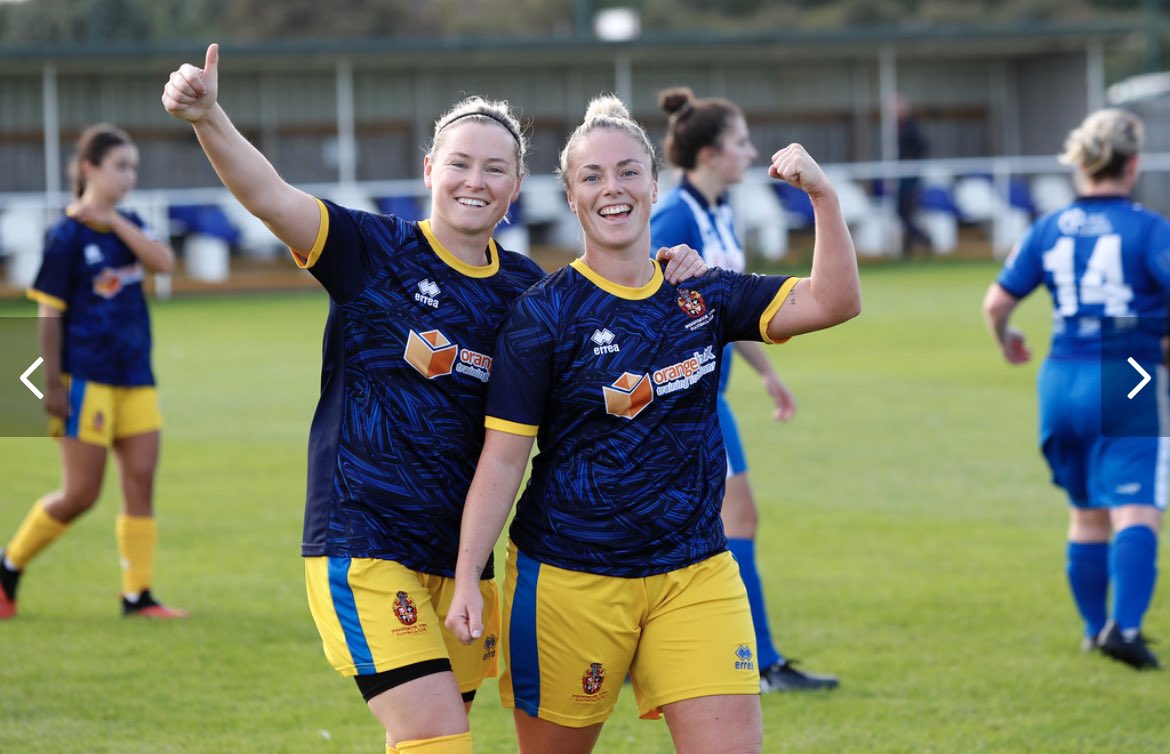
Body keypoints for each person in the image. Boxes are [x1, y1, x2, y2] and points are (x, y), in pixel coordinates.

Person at [161, 45, 706, 754]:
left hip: (461, 564)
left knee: (426, 739)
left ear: (516, 189)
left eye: (494, 168)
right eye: (459, 163)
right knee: (438, 736)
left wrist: (669, 269)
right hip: (363, 544)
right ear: (430, 171)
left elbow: (608, 318)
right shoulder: (370, 251)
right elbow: (270, 195)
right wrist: (208, 118)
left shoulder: (526, 294)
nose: (474, 181)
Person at [446, 94, 860, 753]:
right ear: (571, 196)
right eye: (592, 177)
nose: (613, 189)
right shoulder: (542, 315)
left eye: (628, 172)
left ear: (654, 183)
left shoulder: (702, 291)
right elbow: (503, 458)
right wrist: (468, 571)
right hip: (569, 579)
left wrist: (824, 199)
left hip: (696, 571)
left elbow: (834, 300)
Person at [650, 86, 839, 693]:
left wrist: (767, 372)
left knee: (706, 523)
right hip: (687, 402)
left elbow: (728, 309)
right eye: (740, 142)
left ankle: (700, 656)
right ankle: (758, 665)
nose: (751, 152)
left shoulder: (718, 211)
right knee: (737, 518)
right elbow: (648, 318)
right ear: (707, 154)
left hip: (714, 396)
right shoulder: (674, 219)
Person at [982, 108, 1169, 671]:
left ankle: (1094, 629)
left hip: (1061, 373)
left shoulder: (1049, 226)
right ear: (1132, 164)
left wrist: (1007, 338)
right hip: (1127, 370)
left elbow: (996, 304)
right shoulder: (1148, 228)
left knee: (1086, 511)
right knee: (1136, 506)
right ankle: (1127, 628)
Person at [0, 124, 183, 621]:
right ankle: (8, 564)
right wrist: (50, 383)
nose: (129, 177)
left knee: (141, 482)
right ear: (88, 169)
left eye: (133, 169)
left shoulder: (130, 226)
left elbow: (163, 261)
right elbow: (46, 316)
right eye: (120, 166)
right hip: (83, 380)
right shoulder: (64, 236)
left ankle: (137, 595)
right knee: (80, 494)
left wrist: (113, 221)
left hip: (136, 377)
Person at [895, 94, 931, 256]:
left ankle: (922, 239)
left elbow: (922, 145)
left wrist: (911, 159)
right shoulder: (897, 126)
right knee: (902, 211)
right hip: (902, 175)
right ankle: (912, 244)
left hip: (909, 177)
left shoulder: (910, 127)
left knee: (905, 210)